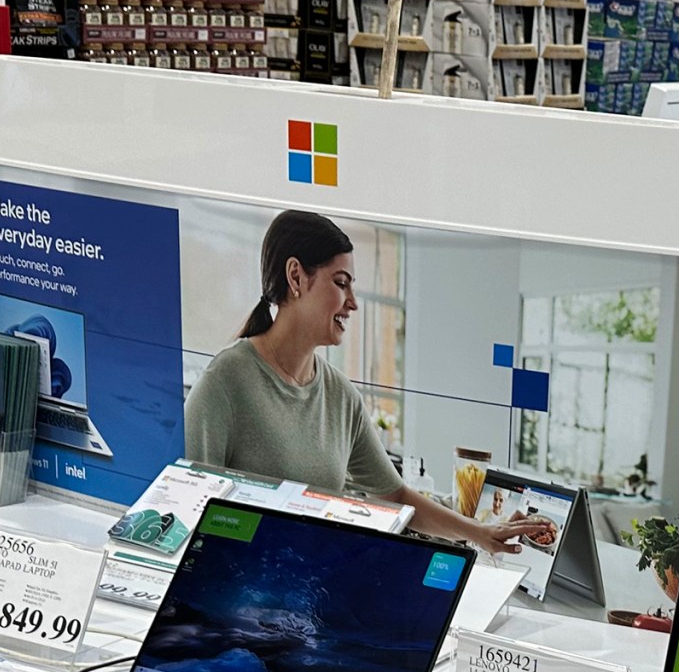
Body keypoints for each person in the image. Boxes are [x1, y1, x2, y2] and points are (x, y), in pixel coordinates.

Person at [186, 210, 553, 554]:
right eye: (341, 283)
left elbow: (396, 497)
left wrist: (481, 534)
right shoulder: (227, 381)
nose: (353, 303)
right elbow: (190, 504)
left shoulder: (341, 397)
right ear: (296, 277)